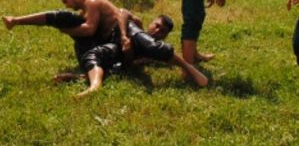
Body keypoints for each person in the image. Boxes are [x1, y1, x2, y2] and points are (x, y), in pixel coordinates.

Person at [1, 0, 121, 96]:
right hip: (107, 46)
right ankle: (83, 77)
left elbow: (90, 29)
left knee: (63, 18)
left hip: (115, 45)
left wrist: (66, 30)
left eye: (66, 0)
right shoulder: (84, 10)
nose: (67, 5)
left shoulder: (92, 1)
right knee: (65, 22)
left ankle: (94, 87)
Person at [52, 10, 209, 96]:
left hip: (114, 52)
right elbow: (123, 12)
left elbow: (130, 62)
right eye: (157, 25)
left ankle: (79, 78)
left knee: (116, 68)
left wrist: (131, 57)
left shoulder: (150, 56)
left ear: (165, 37)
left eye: (162, 31)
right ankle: (188, 67)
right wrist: (125, 36)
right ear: (151, 22)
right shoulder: (138, 24)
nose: (157, 30)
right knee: (145, 42)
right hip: (116, 37)